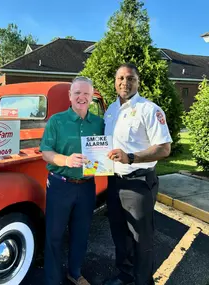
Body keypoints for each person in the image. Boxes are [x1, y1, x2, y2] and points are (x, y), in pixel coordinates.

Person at [103, 63, 172, 285]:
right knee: (119, 234)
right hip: (114, 182)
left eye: (130, 78)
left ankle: (143, 281)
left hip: (139, 182)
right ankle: (125, 275)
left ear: (138, 82)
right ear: (115, 82)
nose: (125, 82)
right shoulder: (111, 110)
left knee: (142, 238)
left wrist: (131, 157)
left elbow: (164, 148)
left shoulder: (150, 110)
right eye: (120, 78)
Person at [40, 76, 104, 285]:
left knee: (81, 234)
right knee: (54, 235)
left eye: (86, 93)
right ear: (70, 96)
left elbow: (104, 150)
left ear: (92, 96)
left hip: (86, 186)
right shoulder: (56, 121)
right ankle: (52, 279)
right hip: (60, 185)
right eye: (77, 93)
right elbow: (46, 152)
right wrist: (66, 160)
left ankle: (74, 273)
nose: (82, 97)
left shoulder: (99, 123)